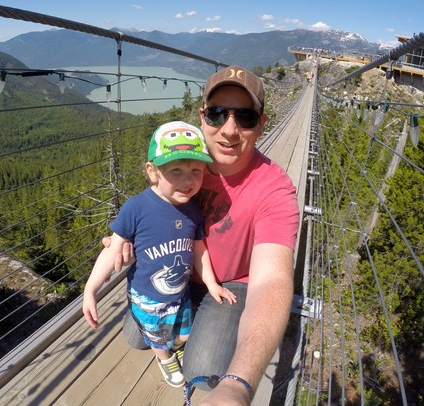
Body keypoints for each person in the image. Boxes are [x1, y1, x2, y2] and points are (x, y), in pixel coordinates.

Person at [114, 65, 299, 405]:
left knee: (206, 368)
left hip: (230, 282)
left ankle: (193, 334)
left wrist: (238, 386)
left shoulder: (275, 189)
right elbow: (152, 206)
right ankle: (184, 326)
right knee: (135, 338)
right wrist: (122, 238)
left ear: (261, 124)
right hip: (179, 268)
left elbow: (272, 280)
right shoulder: (183, 162)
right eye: (217, 114)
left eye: (244, 117)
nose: (229, 130)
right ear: (202, 117)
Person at [82, 121, 237, 388]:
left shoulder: (192, 210)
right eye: (175, 170)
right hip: (148, 299)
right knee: (158, 340)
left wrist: (212, 283)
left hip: (179, 293)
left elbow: (198, 249)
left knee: (182, 335)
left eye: (196, 171)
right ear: (152, 172)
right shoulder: (136, 208)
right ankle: (164, 360)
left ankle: (171, 346)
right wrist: (91, 289)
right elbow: (112, 251)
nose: (188, 181)